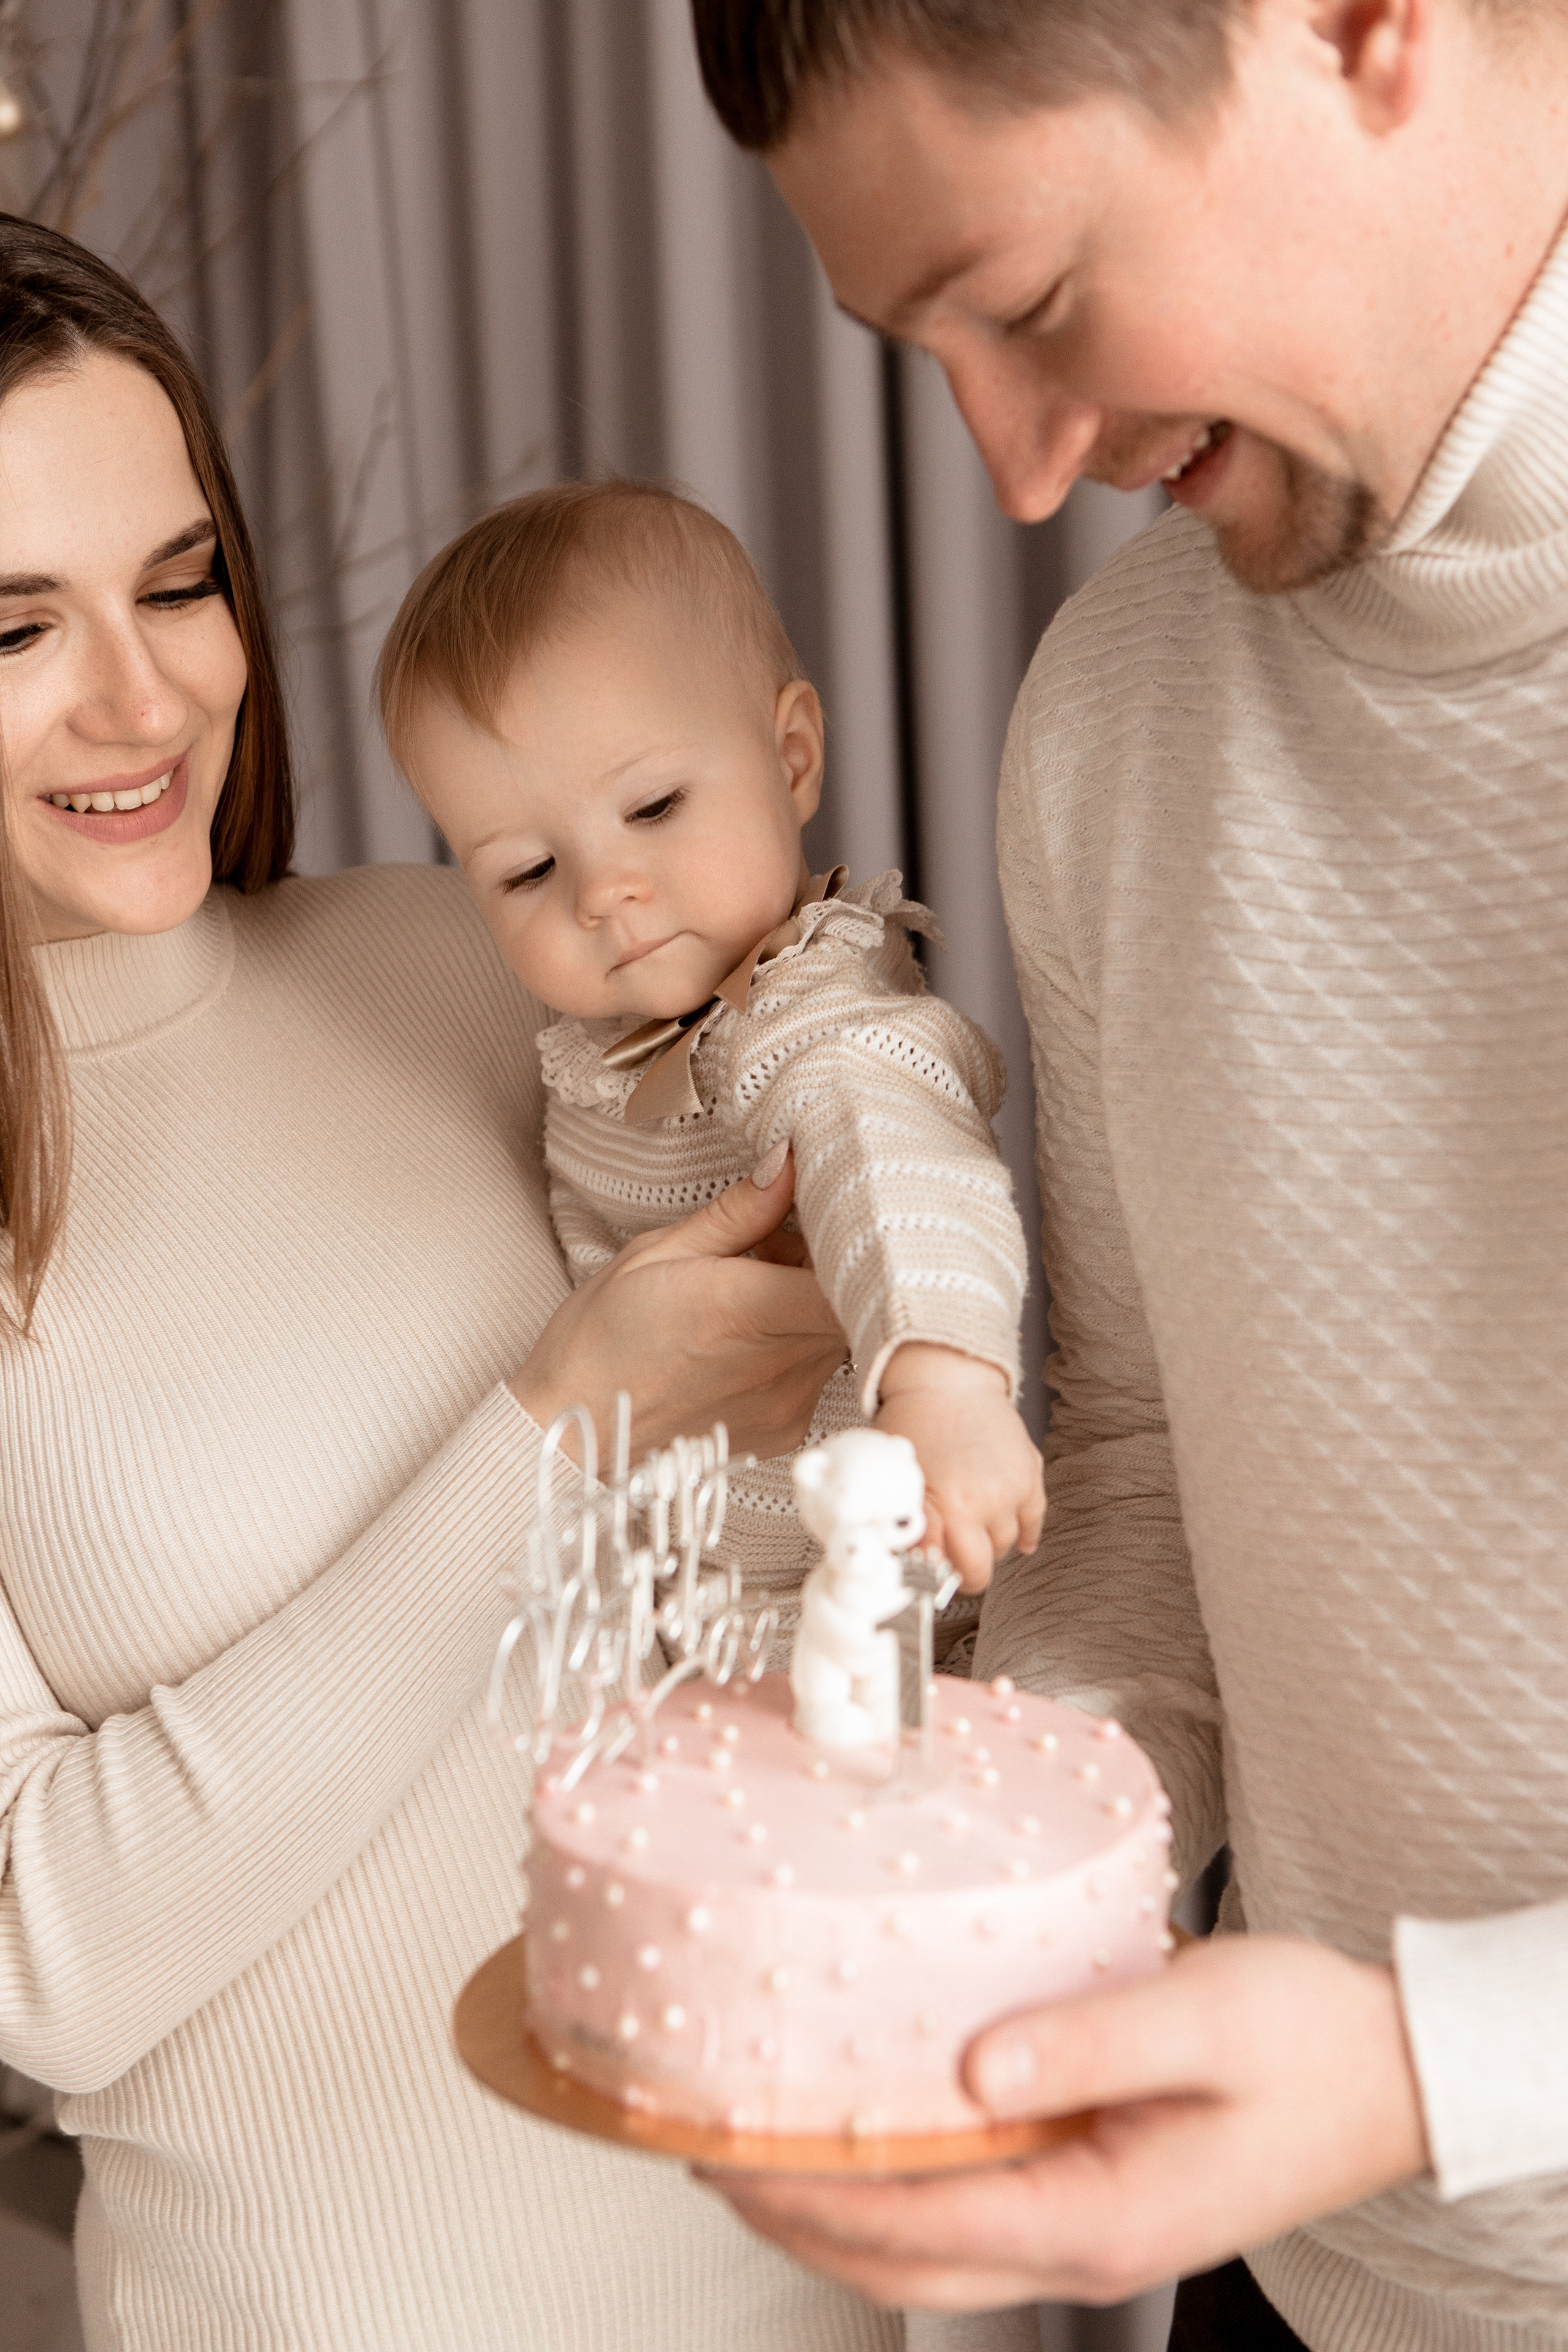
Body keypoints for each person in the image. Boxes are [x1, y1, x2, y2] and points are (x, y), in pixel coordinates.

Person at [688, 2, 1568, 2348]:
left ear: (1355, 24)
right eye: (926, 345)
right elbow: (1164, 1467)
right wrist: (992, 1874)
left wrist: (1428, 2068)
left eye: (1038, 299)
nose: (1010, 463)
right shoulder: (1116, 713)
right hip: (1313, 2285)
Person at [0, 216, 895, 2352]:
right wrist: (556, 1423)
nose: (145, 697)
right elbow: (48, 1966)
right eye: (13, 625)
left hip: (801, 2290)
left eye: (183, 581)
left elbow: (821, 1540)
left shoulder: (488, 960)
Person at [376, 479, 1044, 1653]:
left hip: (849, 1587)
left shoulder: (809, 1015)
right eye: (528, 872)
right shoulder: (601, 1041)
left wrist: (944, 1387)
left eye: (655, 806)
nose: (602, 892)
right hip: (680, 1593)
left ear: (791, 759)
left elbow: (899, 1167)